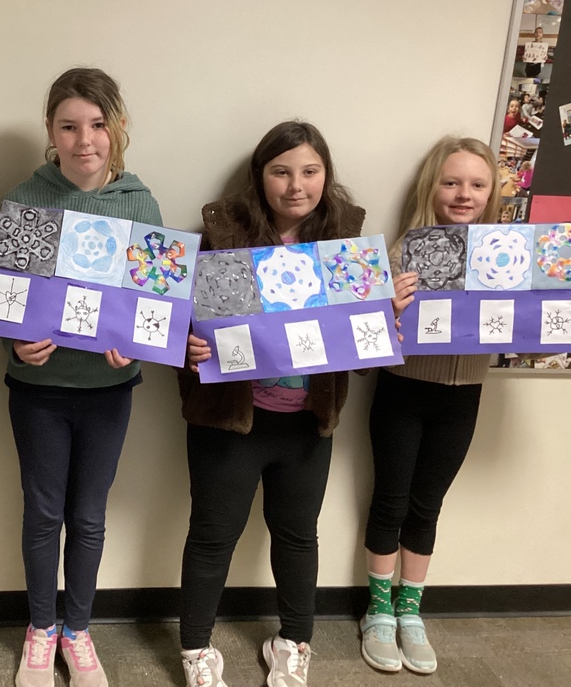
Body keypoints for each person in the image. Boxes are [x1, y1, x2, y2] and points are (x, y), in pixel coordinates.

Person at [0, 68, 162, 687]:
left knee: (89, 516)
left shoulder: (138, 202)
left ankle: (78, 630)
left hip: (109, 391)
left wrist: (132, 348)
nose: (86, 140)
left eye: (99, 124)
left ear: (119, 127)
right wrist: (14, 340)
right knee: (41, 514)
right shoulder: (28, 199)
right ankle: (40, 628)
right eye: (70, 126)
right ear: (51, 133)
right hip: (39, 391)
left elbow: (154, 302)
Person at [178, 121, 365, 687]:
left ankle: (293, 641)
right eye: (281, 171)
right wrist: (184, 345)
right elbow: (174, 319)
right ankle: (195, 651)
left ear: (326, 175)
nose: (295, 186)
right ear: (260, 177)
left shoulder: (344, 240)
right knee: (213, 535)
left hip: (307, 423)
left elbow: (358, 333)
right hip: (230, 421)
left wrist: (388, 318)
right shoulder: (223, 236)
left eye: (309, 171)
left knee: (297, 534)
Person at [357, 137, 500, 676]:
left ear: (492, 193)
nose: (464, 194)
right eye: (452, 182)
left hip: (464, 396)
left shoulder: (509, 257)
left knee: (427, 504)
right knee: (390, 499)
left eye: (477, 184)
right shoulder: (402, 252)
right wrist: (386, 307)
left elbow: (528, 334)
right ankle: (379, 610)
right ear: (431, 187)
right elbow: (368, 334)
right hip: (403, 389)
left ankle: (410, 609)